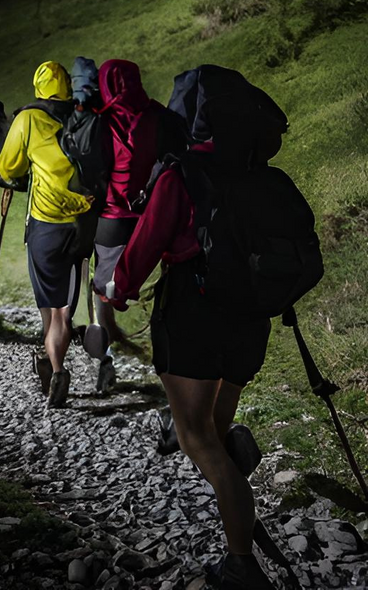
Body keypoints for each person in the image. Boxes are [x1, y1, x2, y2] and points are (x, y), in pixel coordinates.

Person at [104, 72, 287, 590]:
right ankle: (235, 483)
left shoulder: (181, 174)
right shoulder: (259, 174)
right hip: (251, 317)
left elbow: (145, 244)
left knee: (196, 437)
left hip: (194, 312)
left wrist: (119, 289)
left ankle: (241, 564)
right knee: (215, 424)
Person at [0, 61, 95, 407]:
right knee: (65, 309)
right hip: (82, 224)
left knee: (49, 308)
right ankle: (55, 360)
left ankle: (55, 368)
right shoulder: (83, 117)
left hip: (45, 225)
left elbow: (7, 167)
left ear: (39, 88)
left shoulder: (28, 119)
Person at [89, 57, 166, 393]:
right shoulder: (158, 115)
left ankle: (104, 361)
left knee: (102, 293)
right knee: (163, 289)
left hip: (111, 219)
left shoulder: (100, 121)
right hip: (156, 216)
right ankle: (168, 364)